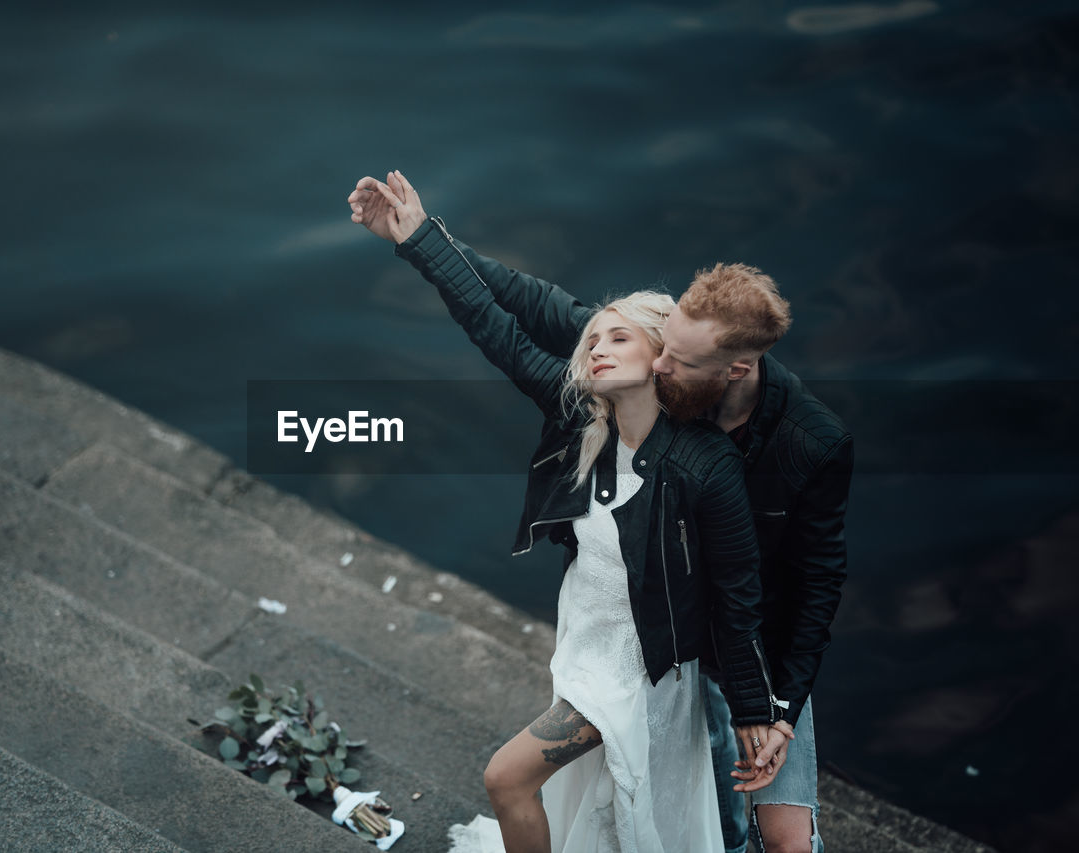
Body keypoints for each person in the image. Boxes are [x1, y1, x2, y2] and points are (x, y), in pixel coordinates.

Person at [349, 171, 853, 853]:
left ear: (735, 370)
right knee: (703, 824)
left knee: (780, 838)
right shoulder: (620, 390)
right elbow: (513, 313)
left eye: (674, 357)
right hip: (642, 644)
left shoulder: (795, 445)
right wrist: (419, 236)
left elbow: (800, 583)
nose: (661, 362)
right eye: (661, 341)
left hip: (743, 645)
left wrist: (772, 709)